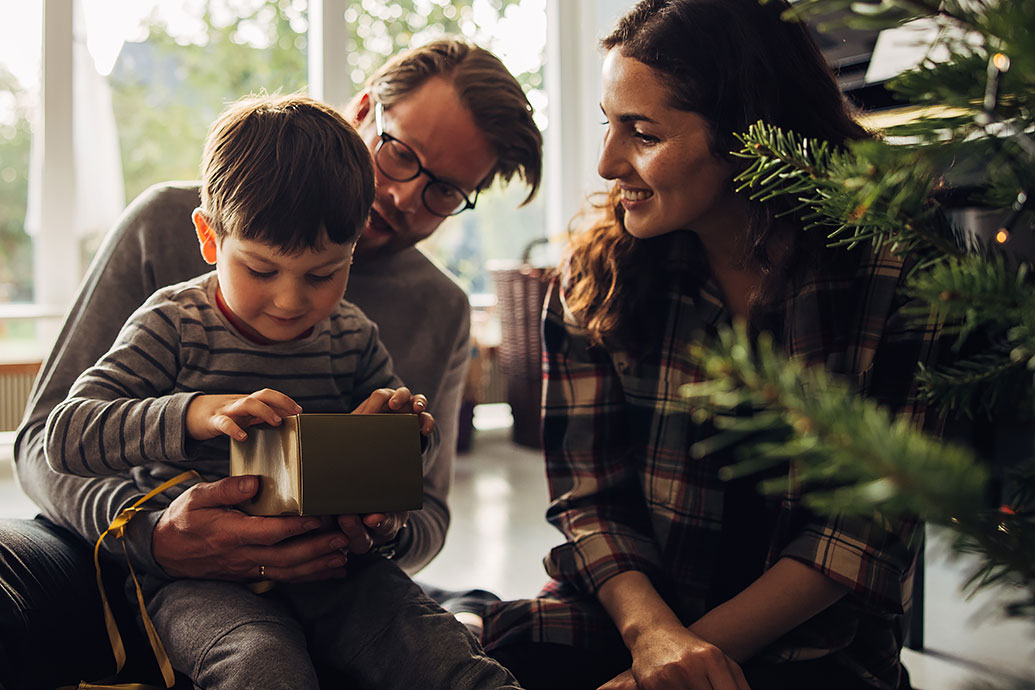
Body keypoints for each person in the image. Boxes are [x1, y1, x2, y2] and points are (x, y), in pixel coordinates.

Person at [1, 37, 541, 690]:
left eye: (445, 191)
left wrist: (381, 507)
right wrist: (154, 534)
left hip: (335, 575)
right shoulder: (172, 251)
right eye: (400, 154)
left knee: (446, 648)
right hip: (134, 554)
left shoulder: (402, 319)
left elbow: (423, 508)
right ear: (365, 110)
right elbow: (46, 441)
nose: (402, 196)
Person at [478, 2, 942, 689]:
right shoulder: (593, 276)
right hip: (625, 620)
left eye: (641, 133)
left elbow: (859, 534)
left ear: (748, 136)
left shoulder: (895, 271)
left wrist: (671, 670)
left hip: (810, 650)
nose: (607, 162)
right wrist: (654, 641)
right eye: (608, 124)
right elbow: (589, 498)